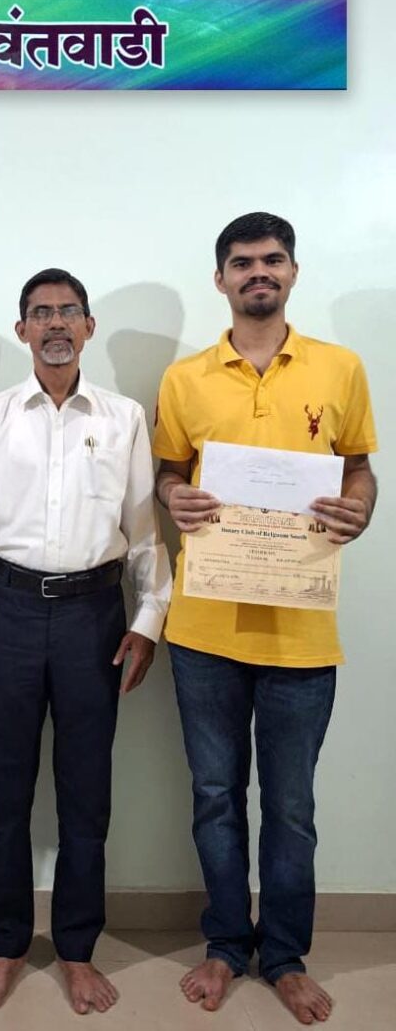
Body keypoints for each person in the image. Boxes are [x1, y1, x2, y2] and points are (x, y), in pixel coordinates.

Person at [153, 214, 377, 1026]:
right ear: (220, 279)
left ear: (292, 272)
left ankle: (282, 956)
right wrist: (173, 497)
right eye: (242, 262)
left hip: (302, 631)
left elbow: (359, 470)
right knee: (215, 796)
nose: (259, 272)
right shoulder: (185, 379)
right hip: (204, 629)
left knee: (290, 809)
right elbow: (167, 475)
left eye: (272, 259)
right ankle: (224, 944)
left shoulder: (340, 367)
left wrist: (360, 509)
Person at [0, 268, 171, 1015]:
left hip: (93, 617)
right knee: (5, 790)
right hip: (6, 613)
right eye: (41, 313)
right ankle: (8, 945)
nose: (56, 323)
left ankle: (76, 948)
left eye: (69, 311)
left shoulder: (124, 418)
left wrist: (147, 620)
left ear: (89, 326)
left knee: (86, 791)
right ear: (23, 331)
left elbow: (144, 531)